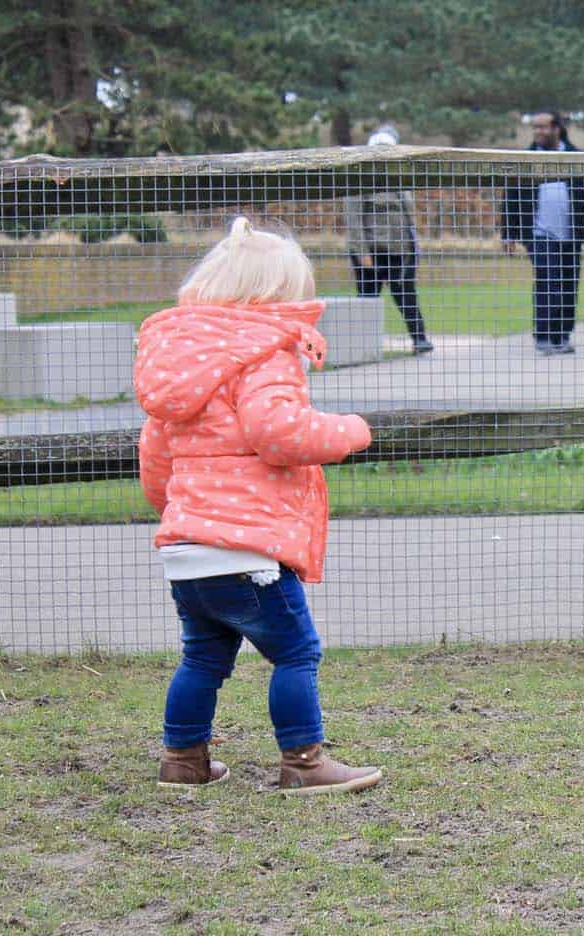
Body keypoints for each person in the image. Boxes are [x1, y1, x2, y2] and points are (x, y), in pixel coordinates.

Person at [135, 216, 383, 796]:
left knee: (202, 658)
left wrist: (182, 515)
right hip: (250, 550)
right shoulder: (265, 356)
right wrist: (348, 431)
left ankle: (183, 759)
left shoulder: (184, 364)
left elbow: (155, 454)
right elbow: (279, 434)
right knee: (297, 652)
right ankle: (303, 761)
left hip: (188, 549)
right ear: (278, 297)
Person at [500, 109, 584, 355]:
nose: (538, 132)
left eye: (543, 127)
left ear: (557, 129)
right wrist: (508, 234)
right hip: (539, 234)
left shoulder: (578, 158)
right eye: (536, 127)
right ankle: (543, 336)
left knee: (568, 284)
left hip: (571, 234)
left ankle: (561, 335)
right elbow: (510, 199)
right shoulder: (525, 160)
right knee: (547, 281)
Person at [344, 126, 433, 354]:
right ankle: (363, 348)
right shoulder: (359, 181)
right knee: (368, 301)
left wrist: (412, 249)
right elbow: (353, 220)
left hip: (399, 251)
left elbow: (407, 218)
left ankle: (420, 339)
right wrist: (362, 253)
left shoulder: (399, 180)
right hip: (372, 252)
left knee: (406, 295)